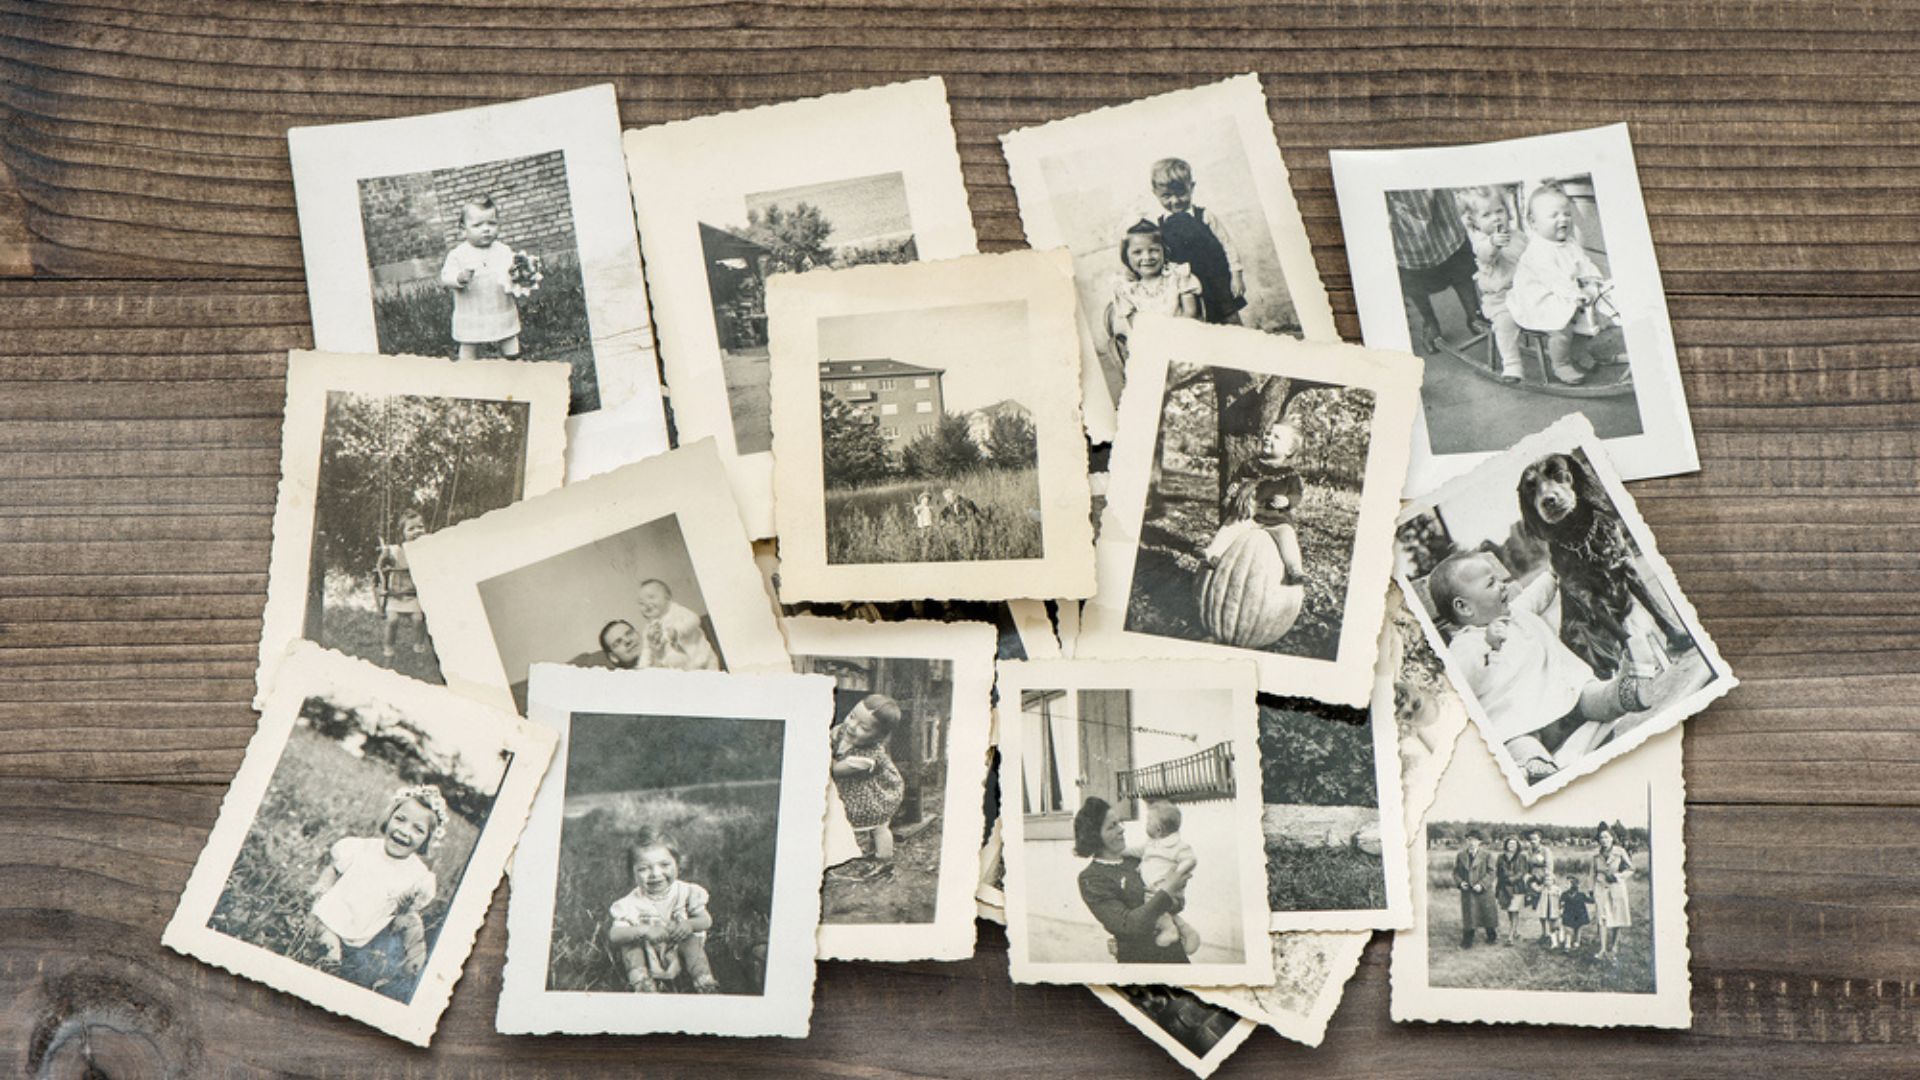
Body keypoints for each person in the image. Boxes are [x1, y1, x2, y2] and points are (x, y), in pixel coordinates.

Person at [1425, 552, 1696, 782]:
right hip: (1520, 724)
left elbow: (1536, 595)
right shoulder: (1465, 645)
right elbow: (1462, 679)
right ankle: (1536, 765)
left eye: (1499, 579)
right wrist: (1487, 644)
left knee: (1591, 696)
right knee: (1518, 745)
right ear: (1464, 607)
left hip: (1566, 699)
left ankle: (1624, 693)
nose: (1503, 585)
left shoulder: (1516, 613)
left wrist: (1553, 574)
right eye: (1491, 583)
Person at [305, 785, 446, 997]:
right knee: (327, 942)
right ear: (388, 818)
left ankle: (415, 972)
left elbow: (403, 915)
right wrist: (322, 886)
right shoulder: (361, 848)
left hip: (372, 931)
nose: (404, 831)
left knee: (413, 923)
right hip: (334, 915)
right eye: (400, 819)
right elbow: (334, 869)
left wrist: (404, 908)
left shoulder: (418, 875)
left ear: (427, 839)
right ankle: (329, 966)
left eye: (418, 829)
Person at [1509, 184, 1624, 385]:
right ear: (1533, 222)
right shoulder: (1539, 251)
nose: (1563, 219)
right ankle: (1560, 364)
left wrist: (1594, 279)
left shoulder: (1569, 242)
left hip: (1562, 291)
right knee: (1562, 326)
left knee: (1586, 314)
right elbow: (1554, 279)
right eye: (1554, 216)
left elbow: (1583, 262)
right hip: (1538, 299)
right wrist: (1575, 294)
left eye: (1567, 214)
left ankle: (1579, 353)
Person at [1073, 797, 1190, 964]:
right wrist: (1168, 890)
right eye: (1112, 826)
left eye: (1119, 823)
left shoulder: (1138, 860)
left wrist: (1174, 896)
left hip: (1175, 954)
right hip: (1140, 961)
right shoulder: (1092, 878)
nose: (1121, 829)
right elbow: (1129, 926)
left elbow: (1178, 904)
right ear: (1095, 836)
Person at [608, 827, 719, 993]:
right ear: (632, 873)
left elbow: (706, 921)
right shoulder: (629, 903)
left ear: (678, 864)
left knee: (691, 941)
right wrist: (644, 930)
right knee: (629, 946)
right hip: (648, 953)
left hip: (680, 948)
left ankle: (704, 981)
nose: (655, 874)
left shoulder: (687, 892)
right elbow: (614, 934)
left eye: (664, 865)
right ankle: (642, 983)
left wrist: (689, 924)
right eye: (644, 868)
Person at [1147, 158, 1244, 325]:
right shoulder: (1159, 227)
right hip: (1188, 288)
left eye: (1181, 193)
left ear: (1191, 187)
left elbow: (1228, 245)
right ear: (1155, 193)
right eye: (1166, 196)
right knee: (1199, 325)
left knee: (1231, 319)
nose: (1175, 201)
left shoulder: (1205, 216)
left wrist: (1236, 276)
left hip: (1217, 281)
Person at [1208, 419, 1308, 582]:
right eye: (1268, 433)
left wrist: (1287, 500)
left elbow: (1297, 495)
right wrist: (1233, 489)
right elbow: (1237, 481)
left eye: (1276, 437)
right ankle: (1213, 553)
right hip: (1249, 516)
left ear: (1289, 449)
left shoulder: (1290, 475)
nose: (1268, 438)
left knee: (1287, 536)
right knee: (1230, 525)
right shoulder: (1250, 465)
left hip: (1276, 520)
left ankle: (1295, 569)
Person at [1386, 188, 1482, 355]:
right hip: (1398, 202)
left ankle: (1474, 314)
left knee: (1457, 254)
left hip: (1432, 192)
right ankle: (1430, 323)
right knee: (1411, 268)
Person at [828, 694, 906, 881]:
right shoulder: (845, 730)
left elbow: (834, 770)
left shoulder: (867, 758)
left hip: (878, 792)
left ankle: (884, 861)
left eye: (863, 727)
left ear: (879, 737)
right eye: (852, 716)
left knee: (880, 826)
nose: (852, 726)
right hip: (858, 787)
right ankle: (860, 853)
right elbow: (834, 734)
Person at [1456, 185, 1527, 383]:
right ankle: (1512, 364)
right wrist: (1494, 243)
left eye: (1499, 211)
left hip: (1527, 292)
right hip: (1500, 298)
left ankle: (1563, 355)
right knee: (1505, 323)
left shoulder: (1519, 236)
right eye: (1486, 215)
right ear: (1474, 222)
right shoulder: (1482, 242)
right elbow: (1486, 255)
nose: (1496, 218)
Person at [438, 195, 523, 362]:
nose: (486, 229)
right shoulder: (458, 254)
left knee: (509, 336)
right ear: (463, 230)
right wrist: (459, 278)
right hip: (472, 311)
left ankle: (514, 364)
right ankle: (468, 368)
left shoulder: (503, 250)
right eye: (477, 225)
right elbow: (446, 276)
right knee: (468, 342)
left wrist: (518, 274)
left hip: (500, 307)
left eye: (492, 223)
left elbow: (514, 270)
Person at [1105, 219, 1201, 363]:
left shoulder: (1178, 276)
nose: (1147, 257)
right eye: (1137, 252)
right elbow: (1137, 325)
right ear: (1126, 257)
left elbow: (1191, 312)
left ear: (1164, 251)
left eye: (1154, 250)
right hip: (1152, 345)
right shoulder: (1126, 288)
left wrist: (1174, 338)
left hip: (1183, 338)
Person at [1136, 800, 1200, 954]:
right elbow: (1138, 851)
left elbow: (1191, 859)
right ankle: (1187, 931)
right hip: (1157, 891)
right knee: (1163, 911)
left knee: (1153, 907)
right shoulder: (1152, 843)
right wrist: (1122, 852)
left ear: (1158, 829)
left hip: (1167, 891)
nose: (1146, 824)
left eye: (1148, 821)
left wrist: (1176, 875)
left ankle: (1169, 930)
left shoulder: (1177, 846)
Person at [375, 511, 429, 661]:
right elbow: (380, 566)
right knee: (392, 620)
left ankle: (419, 647)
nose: (417, 531)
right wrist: (384, 556)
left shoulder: (425, 549)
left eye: (420, 527)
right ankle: (388, 649)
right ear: (402, 534)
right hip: (395, 594)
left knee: (418, 619)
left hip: (413, 595)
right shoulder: (395, 550)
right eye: (411, 529)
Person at [635, 580, 720, 671]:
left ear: (667, 597)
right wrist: (642, 666)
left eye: (651, 597)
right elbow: (647, 649)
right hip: (683, 668)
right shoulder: (649, 629)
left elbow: (695, 619)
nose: (647, 604)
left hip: (702, 657)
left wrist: (677, 631)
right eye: (641, 603)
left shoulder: (677, 611)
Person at [1591, 827, 1634, 961]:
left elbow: (1631, 868)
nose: (1603, 840)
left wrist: (1617, 876)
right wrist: (1591, 890)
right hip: (1600, 887)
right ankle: (1602, 949)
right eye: (1601, 837)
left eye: (1606, 837)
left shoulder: (1620, 851)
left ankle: (1614, 947)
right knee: (1602, 918)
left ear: (1612, 838)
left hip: (1616, 887)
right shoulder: (1596, 854)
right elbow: (1592, 873)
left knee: (1617, 916)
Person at [1453, 829, 1498, 947]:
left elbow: (1492, 872)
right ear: (1466, 841)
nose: (1472, 842)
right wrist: (1460, 883)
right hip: (1468, 891)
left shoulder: (1487, 855)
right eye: (1469, 840)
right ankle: (1467, 940)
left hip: (1484, 891)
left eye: (1475, 840)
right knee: (1469, 916)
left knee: (1487, 914)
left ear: (1479, 842)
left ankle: (1491, 936)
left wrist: (1482, 884)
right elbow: (1456, 872)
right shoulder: (1461, 855)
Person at [1526, 828, 1562, 947]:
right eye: (1531, 839)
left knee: (1549, 909)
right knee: (1541, 909)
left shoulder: (1545, 851)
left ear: (1540, 839)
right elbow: (1529, 868)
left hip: (1546, 882)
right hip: (1534, 882)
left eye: (1535, 839)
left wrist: (1545, 883)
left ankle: (1553, 935)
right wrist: (1531, 881)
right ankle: (1544, 933)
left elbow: (1549, 867)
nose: (1532, 841)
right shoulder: (1529, 852)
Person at [1559, 872, 1594, 952]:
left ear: (1573, 884)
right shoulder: (1564, 894)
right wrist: (1560, 910)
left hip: (1579, 915)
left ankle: (1577, 942)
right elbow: (1561, 903)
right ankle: (1567, 944)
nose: (1566, 885)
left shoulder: (1581, 895)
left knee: (1578, 929)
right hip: (1569, 915)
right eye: (1566, 883)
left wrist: (1592, 894)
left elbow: (1590, 901)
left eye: (1568, 883)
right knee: (1569, 929)